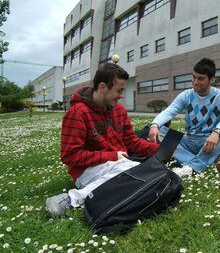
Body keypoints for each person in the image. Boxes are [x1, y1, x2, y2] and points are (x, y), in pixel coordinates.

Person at [45, 63, 159, 217]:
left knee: (138, 172)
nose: (122, 95)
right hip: (86, 171)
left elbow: (131, 141)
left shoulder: (119, 110)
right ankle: (70, 199)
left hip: (119, 163)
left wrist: (160, 150)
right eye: (119, 90)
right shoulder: (78, 113)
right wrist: (112, 156)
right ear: (103, 87)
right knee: (132, 172)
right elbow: (70, 156)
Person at [149, 58, 220, 176]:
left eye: (201, 78)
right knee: (161, 131)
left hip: (208, 141)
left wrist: (216, 132)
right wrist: (154, 125)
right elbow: (169, 111)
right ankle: (197, 163)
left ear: (212, 79)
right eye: (194, 77)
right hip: (188, 141)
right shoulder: (186, 95)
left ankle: (187, 162)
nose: (195, 82)